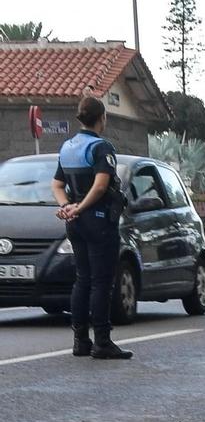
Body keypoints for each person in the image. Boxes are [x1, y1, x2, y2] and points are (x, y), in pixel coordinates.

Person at [52, 94, 131, 360]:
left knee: (82, 279)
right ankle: (102, 341)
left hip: (75, 223)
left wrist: (67, 207)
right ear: (102, 118)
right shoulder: (101, 147)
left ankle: (80, 340)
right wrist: (82, 207)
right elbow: (100, 185)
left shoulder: (67, 147)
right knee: (101, 282)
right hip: (98, 220)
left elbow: (57, 184)